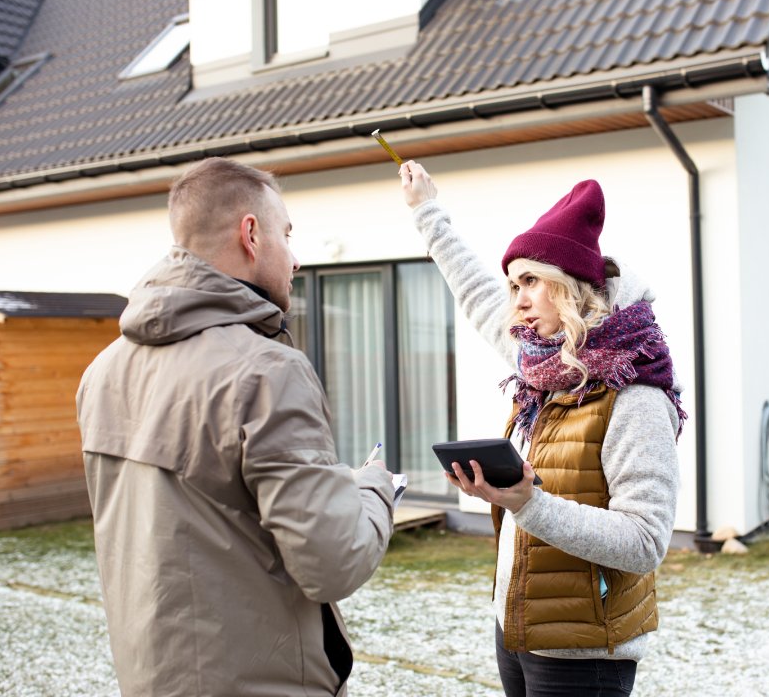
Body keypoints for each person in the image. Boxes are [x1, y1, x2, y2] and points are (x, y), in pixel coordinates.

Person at [77, 157, 395, 697]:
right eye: (287, 235)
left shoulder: (103, 369)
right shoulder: (267, 371)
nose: (295, 259)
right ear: (251, 234)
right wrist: (373, 488)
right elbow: (332, 562)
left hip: (151, 678)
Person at [399, 160, 683, 697]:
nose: (517, 299)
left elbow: (645, 541)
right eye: (514, 284)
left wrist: (529, 503)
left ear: (572, 287)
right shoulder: (544, 367)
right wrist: (427, 212)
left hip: (584, 652)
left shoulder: (635, 391)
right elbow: (477, 295)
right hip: (517, 628)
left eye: (531, 281)